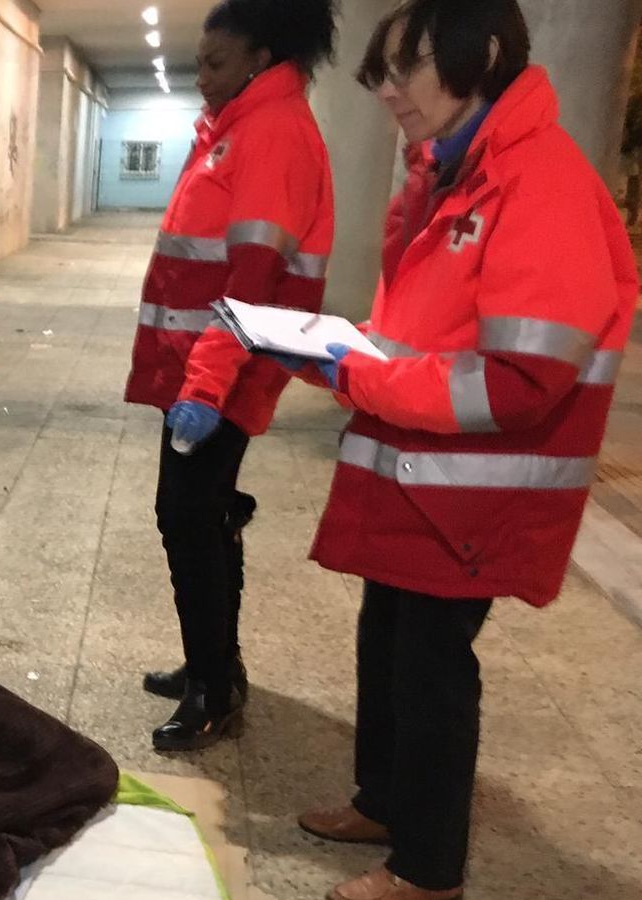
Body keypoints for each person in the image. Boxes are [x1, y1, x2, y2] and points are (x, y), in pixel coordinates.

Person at [282, 2, 639, 898]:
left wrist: (361, 377)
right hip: (421, 479)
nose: (388, 93)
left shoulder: (539, 182)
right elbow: (425, 331)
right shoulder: (457, 174)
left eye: (406, 69)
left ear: (479, 57)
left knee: (435, 674)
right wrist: (347, 350)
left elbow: (523, 378)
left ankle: (426, 868)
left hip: (469, 494)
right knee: (388, 642)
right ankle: (385, 800)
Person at [123, 0, 337, 750]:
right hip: (205, 369)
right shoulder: (238, 131)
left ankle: (213, 689)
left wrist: (206, 386)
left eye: (216, 63)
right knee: (198, 514)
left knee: (187, 518)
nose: (201, 79)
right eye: (198, 64)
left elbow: (251, 281)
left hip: (222, 376)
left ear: (263, 58)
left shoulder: (272, 135)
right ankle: (214, 665)